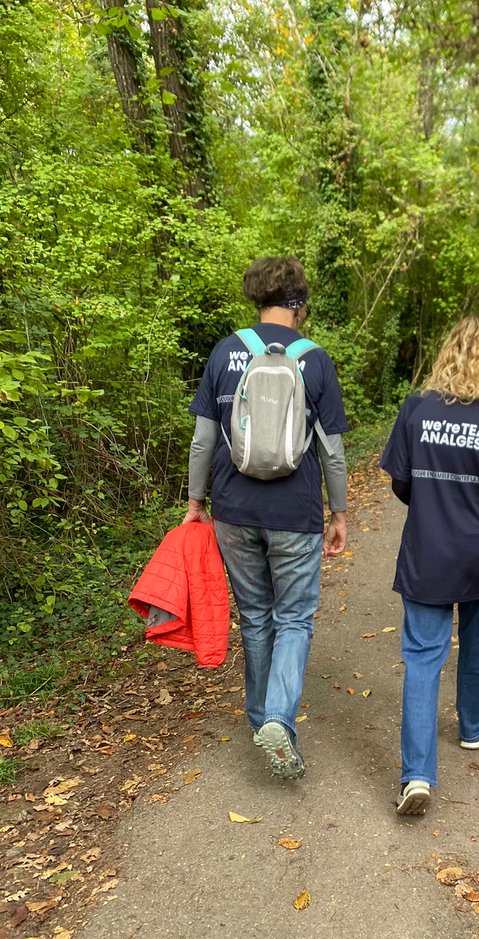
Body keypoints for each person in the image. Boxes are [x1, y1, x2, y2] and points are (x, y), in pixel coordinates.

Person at [183, 256, 348, 779]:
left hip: (234, 509)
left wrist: (195, 503)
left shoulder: (225, 351)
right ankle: (279, 717)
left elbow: (203, 440)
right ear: (299, 302)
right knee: (294, 616)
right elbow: (333, 452)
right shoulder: (315, 359)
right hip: (295, 514)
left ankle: (261, 721)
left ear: (256, 296)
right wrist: (339, 511)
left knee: (255, 615)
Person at [381, 316, 479, 816]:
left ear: (449, 353)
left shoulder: (417, 408)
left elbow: (401, 485)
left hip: (426, 553)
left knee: (423, 659)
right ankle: (472, 728)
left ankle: (418, 776)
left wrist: (433, 498)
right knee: (474, 643)